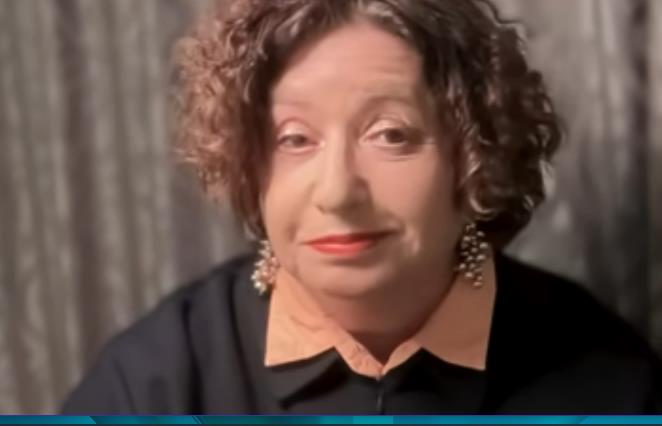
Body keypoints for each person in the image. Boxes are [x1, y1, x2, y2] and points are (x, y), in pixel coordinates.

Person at [62, 0, 662, 414]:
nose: (337, 192)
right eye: (294, 138)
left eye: (391, 134)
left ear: (477, 154)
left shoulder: (607, 382)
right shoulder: (154, 383)